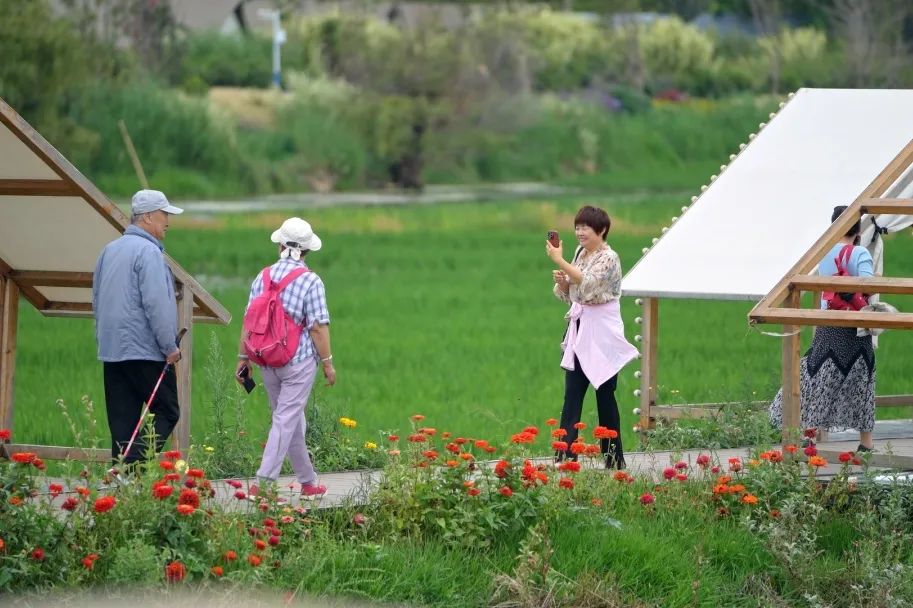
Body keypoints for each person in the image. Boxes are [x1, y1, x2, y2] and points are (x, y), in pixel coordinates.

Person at [237, 217, 335, 499]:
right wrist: (327, 362)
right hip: (298, 361)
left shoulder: (263, 276)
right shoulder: (310, 281)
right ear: (307, 250)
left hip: (266, 359)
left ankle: (308, 482)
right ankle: (263, 484)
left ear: (280, 244)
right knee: (286, 419)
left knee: (290, 419)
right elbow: (317, 327)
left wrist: (243, 357)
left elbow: (249, 321)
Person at [770, 205, 876, 452]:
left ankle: (809, 433)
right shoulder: (860, 253)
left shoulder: (823, 254)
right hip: (854, 325)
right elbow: (868, 285)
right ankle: (866, 444)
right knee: (863, 378)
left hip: (828, 321)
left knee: (819, 375)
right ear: (859, 229)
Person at [93, 189, 184, 464]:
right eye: (164, 214)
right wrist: (169, 346)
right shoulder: (148, 252)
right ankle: (132, 469)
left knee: (123, 421)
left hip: (112, 351)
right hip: (144, 350)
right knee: (167, 411)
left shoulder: (109, 250)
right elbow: (157, 304)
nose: (167, 220)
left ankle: (121, 478)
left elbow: (96, 299)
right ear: (147, 218)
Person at [547, 205, 639, 469]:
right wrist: (564, 281)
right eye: (577, 227)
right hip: (580, 327)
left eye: (585, 227)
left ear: (602, 230)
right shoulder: (580, 253)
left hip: (602, 332)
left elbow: (588, 285)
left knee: (605, 393)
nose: (580, 232)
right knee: (572, 392)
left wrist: (560, 262)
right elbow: (573, 293)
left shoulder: (610, 257)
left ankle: (613, 458)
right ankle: (565, 457)